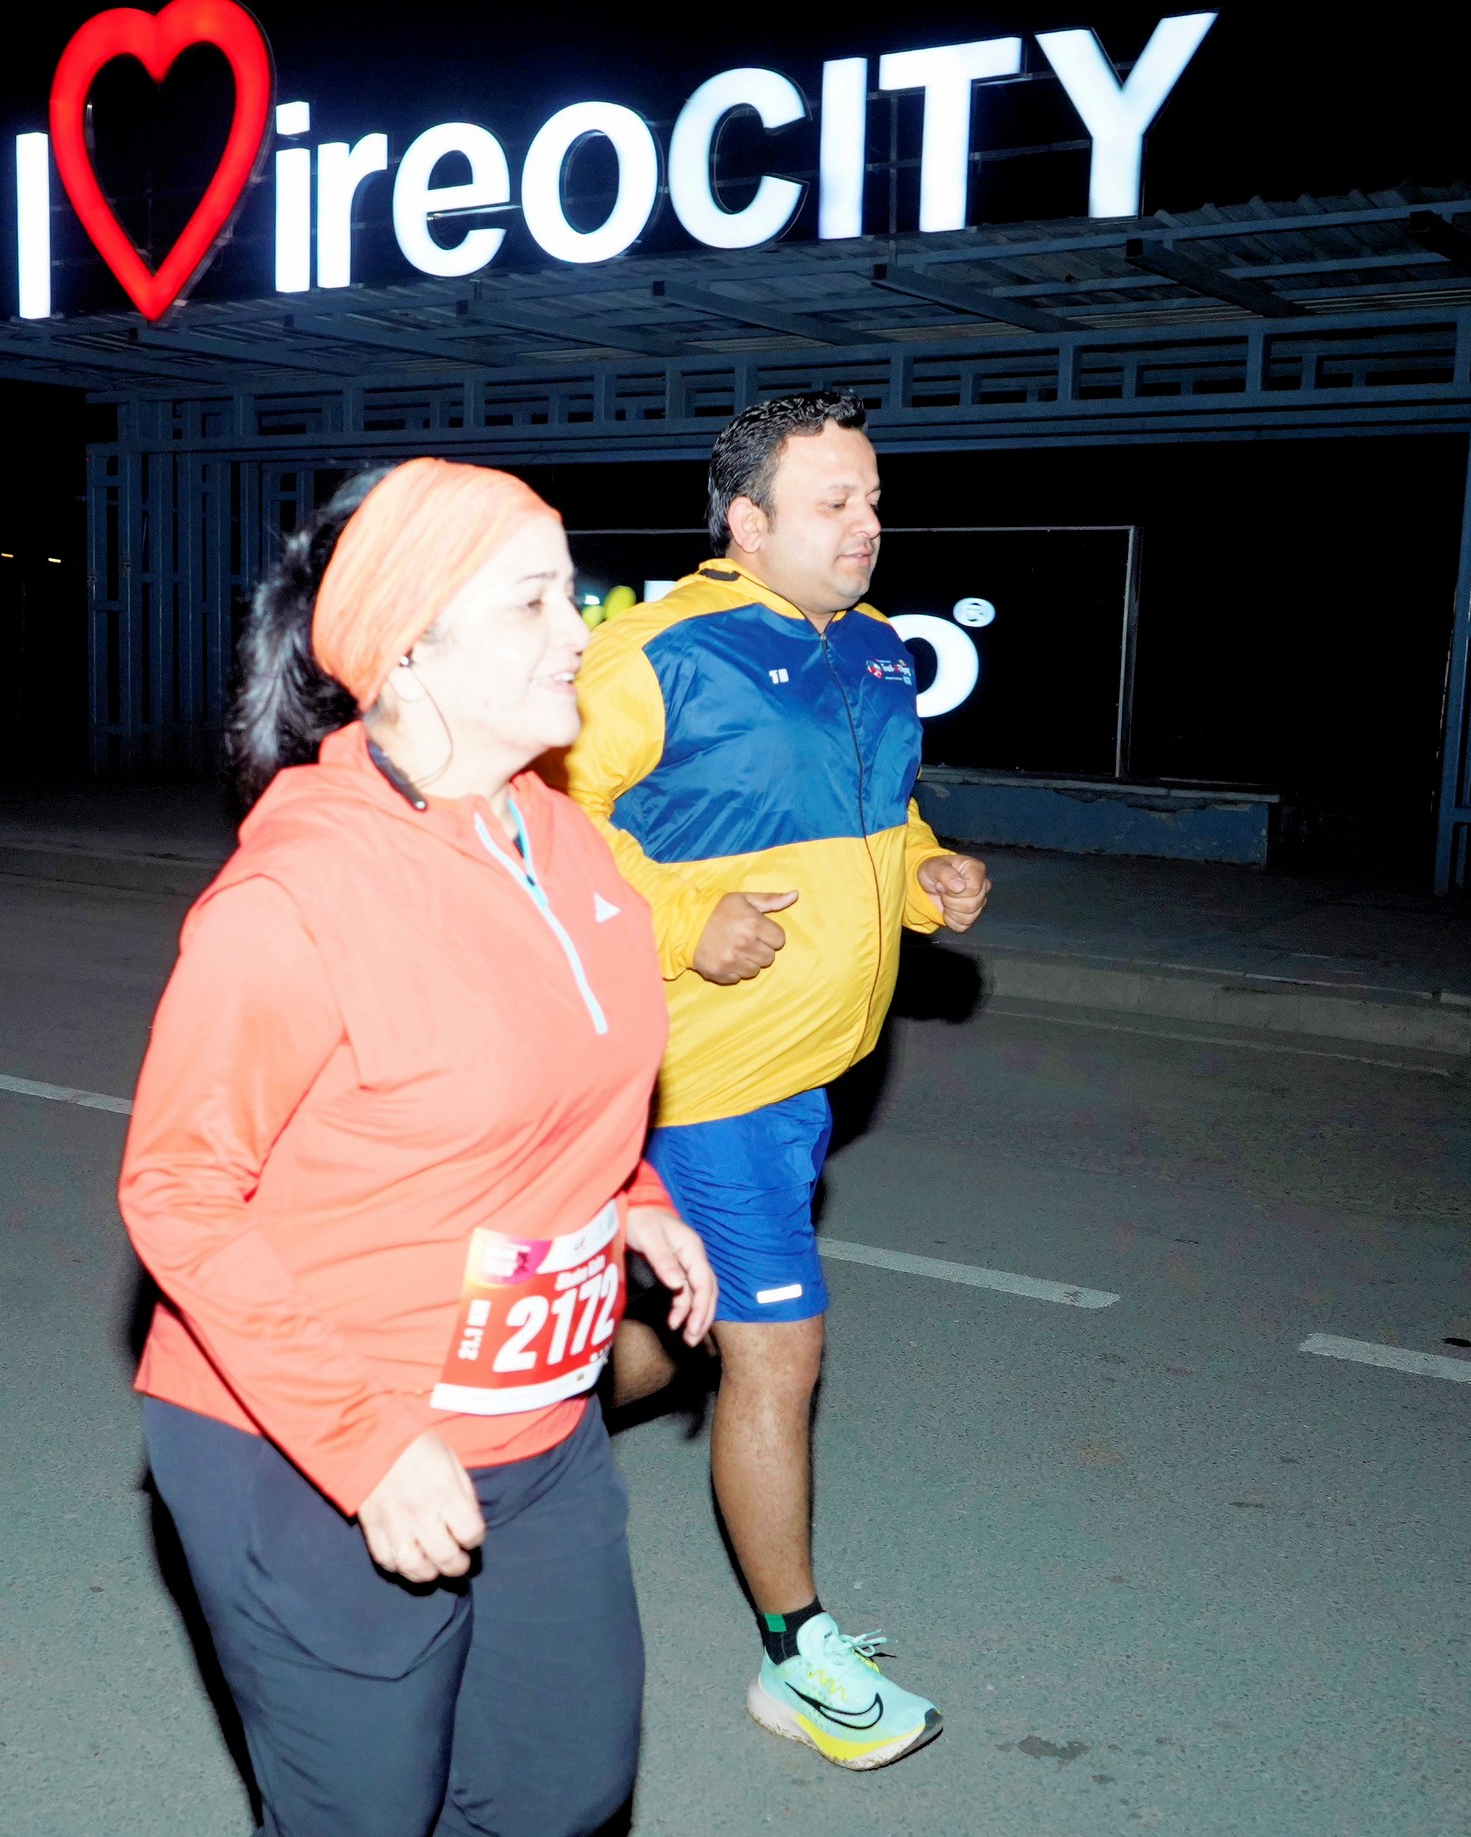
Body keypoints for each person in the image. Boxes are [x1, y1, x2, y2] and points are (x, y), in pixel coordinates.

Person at [119, 457, 720, 1836]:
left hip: (536, 1416)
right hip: (307, 1439)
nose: (580, 629)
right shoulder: (298, 892)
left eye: (570, 592)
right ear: (408, 649)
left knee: (565, 1784)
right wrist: (367, 1447)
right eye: (532, 601)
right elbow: (178, 1188)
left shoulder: (563, 840)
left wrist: (631, 1192)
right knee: (368, 1813)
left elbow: (569, 1069)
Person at [558, 392, 992, 1772]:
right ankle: (795, 1657)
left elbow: (875, 815)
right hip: (705, 1075)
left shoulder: (872, 649)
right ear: (748, 522)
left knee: (681, 1333)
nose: (868, 526)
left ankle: (494, 1433)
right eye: (834, 503)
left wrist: (925, 874)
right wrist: (686, 922)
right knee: (778, 1346)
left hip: (810, 1074)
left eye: (874, 501)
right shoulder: (657, 653)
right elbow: (536, 818)